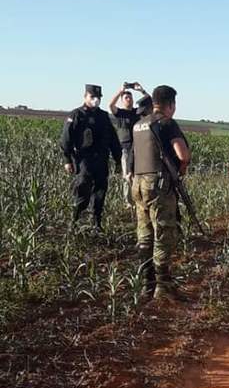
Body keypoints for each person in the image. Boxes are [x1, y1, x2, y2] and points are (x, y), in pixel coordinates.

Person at [129, 84, 191, 301]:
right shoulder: (167, 123)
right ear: (171, 105)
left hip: (138, 184)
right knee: (163, 234)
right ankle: (162, 287)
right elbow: (182, 154)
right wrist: (181, 168)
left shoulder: (139, 125)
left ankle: (146, 284)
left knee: (144, 235)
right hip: (158, 184)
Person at [60, 84, 122, 231]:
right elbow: (65, 139)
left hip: (101, 159)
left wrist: (118, 159)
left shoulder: (103, 116)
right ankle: (74, 221)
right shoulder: (76, 115)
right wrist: (67, 160)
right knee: (83, 189)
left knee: (100, 191)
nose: (96, 100)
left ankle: (97, 223)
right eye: (92, 97)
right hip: (83, 160)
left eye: (98, 98)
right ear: (85, 97)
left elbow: (113, 139)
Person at [109, 82, 149, 207]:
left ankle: (139, 199)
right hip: (125, 149)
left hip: (139, 148)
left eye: (130, 97)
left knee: (140, 174)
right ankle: (129, 202)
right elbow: (110, 105)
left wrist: (141, 90)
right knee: (127, 176)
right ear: (122, 100)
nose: (129, 99)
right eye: (126, 97)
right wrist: (120, 90)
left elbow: (150, 104)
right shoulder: (119, 113)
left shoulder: (138, 112)